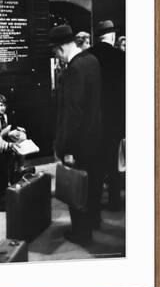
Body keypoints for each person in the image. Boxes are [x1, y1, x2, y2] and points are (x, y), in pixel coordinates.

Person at [50, 24, 102, 245]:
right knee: (90, 187)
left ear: (61, 48)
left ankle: (81, 233)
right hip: (94, 137)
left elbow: (72, 114)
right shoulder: (92, 61)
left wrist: (66, 148)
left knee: (76, 188)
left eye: (55, 53)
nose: (57, 58)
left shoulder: (74, 69)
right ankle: (92, 222)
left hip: (78, 142)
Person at [89, 20, 126, 210]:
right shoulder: (121, 57)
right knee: (113, 163)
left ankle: (94, 206)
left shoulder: (88, 56)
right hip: (115, 120)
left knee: (95, 165)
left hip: (93, 121)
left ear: (97, 37)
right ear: (112, 37)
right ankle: (114, 201)